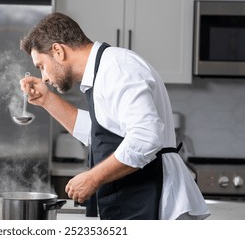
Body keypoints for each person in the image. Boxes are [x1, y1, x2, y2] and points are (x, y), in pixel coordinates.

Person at [19, 12, 210, 220]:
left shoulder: (118, 68)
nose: (44, 77)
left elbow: (146, 137)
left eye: (41, 66)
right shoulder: (103, 71)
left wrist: (93, 178)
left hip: (157, 202)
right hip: (137, 199)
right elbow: (99, 134)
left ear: (58, 51)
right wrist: (46, 99)